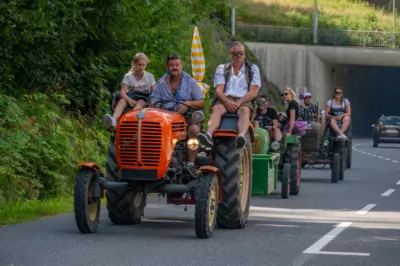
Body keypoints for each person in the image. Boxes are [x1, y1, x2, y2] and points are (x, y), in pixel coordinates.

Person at [197, 41, 261, 148]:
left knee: (245, 110)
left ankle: (241, 136)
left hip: (245, 99)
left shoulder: (252, 68)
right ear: (230, 54)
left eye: (241, 53)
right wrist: (227, 101)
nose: (239, 56)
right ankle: (208, 134)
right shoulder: (222, 68)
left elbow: (253, 92)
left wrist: (239, 102)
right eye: (235, 54)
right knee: (217, 108)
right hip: (226, 98)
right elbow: (219, 90)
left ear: (244, 54)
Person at [149, 54, 205, 171]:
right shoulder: (160, 84)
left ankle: (190, 164)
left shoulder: (190, 82)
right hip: (166, 119)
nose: (174, 67)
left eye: (177, 65)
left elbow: (201, 102)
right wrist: (157, 108)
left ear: (181, 65)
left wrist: (188, 103)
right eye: (171, 65)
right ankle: (156, 163)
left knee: (194, 130)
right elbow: (152, 104)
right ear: (167, 67)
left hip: (186, 117)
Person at [103, 52, 156, 130]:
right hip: (130, 96)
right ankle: (113, 120)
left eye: (143, 65)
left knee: (140, 102)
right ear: (134, 64)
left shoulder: (149, 77)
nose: (141, 67)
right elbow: (122, 92)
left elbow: (154, 93)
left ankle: (130, 121)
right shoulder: (128, 76)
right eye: (139, 65)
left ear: (146, 65)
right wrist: (129, 100)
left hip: (143, 97)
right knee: (122, 100)